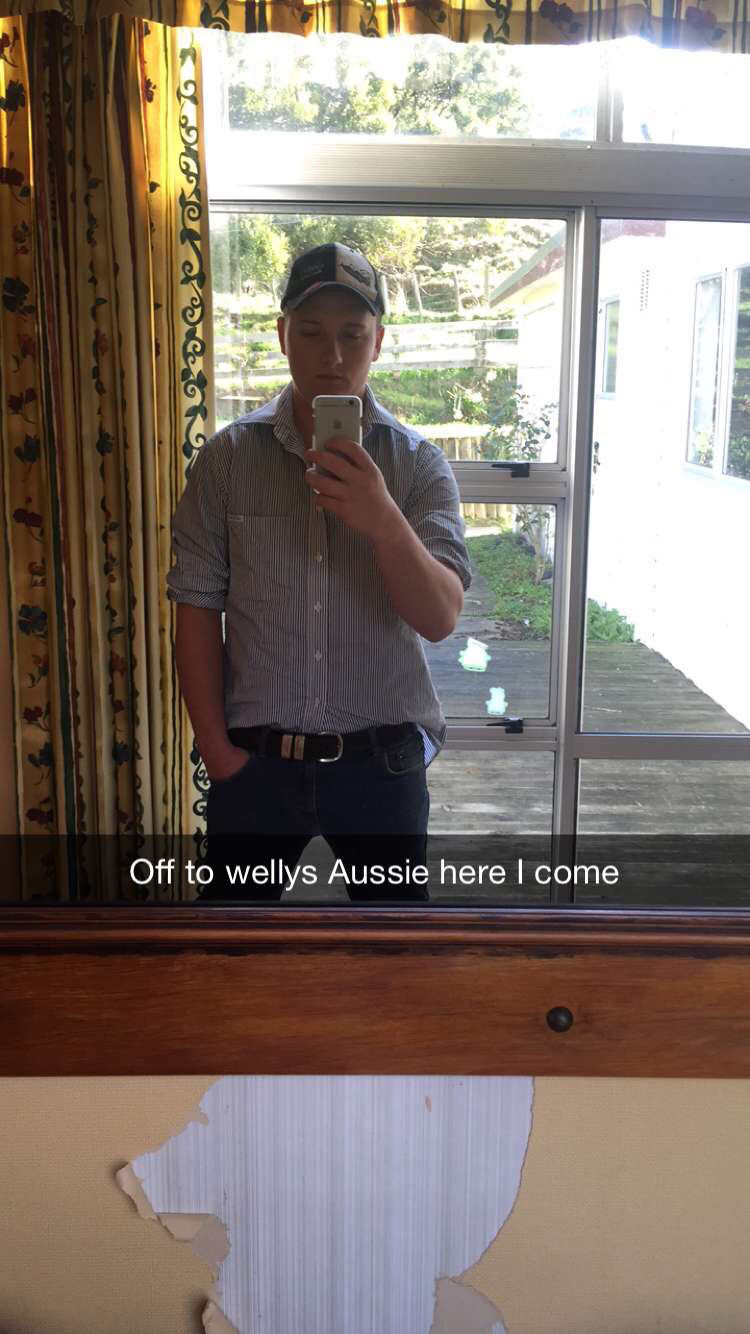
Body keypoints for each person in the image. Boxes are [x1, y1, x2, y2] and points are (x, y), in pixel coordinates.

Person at [166, 242, 472, 902]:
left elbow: (439, 618)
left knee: (394, 949)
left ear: (377, 342)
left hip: (383, 766)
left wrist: (382, 518)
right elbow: (196, 607)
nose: (332, 355)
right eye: (310, 332)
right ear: (283, 336)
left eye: (351, 335)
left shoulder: (417, 464)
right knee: (232, 943)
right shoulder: (226, 461)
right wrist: (216, 751)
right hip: (255, 764)